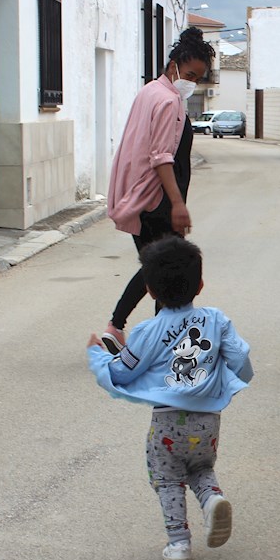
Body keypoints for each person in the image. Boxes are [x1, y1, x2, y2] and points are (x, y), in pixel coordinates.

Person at [86, 236, 254, 560]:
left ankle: (179, 544)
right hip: (208, 422)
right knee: (201, 467)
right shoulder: (216, 320)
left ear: (149, 289)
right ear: (200, 283)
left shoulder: (148, 331)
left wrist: (96, 356)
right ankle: (212, 499)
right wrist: (234, 380)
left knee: (166, 477)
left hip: (167, 424)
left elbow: (122, 371)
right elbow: (240, 357)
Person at [100, 27, 216, 355]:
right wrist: (177, 204)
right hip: (157, 200)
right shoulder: (168, 101)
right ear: (174, 65)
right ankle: (144, 338)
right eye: (190, 74)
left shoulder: (149, 91)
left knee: (158, 269)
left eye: (199, 77)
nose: (192, 82)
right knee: (168, 271)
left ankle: (122, 329)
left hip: (139, 197)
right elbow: (161, 157)